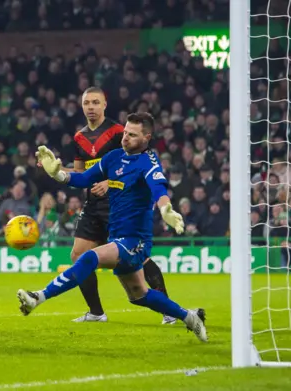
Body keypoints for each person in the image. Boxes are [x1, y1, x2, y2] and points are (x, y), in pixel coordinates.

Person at [19, 112, 207, 342]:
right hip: (117, 236)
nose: (125, 137)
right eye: (125, 132)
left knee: (87, 258)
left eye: (133, 135)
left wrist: (166, 209)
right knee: (138, 295)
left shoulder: (148, 161)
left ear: (147, 137)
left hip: (136, 240)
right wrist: (58, 174)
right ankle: (189, 317)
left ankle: (38, 297)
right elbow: (83, 179)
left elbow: (159, 188)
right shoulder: (114, 157)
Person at [64, 87, 174, 324]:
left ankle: (169, 311)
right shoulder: (78, 138)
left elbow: (127, 162)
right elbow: (81, 173)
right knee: (77, 254)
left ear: (105, 104)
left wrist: (108, 182)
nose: (90, 107)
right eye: (86, 103)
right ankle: (96, 312)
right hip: (93, 205)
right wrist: (57, 170)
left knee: (139, 260)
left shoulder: (118, 132)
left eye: (95, 102)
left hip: (119, 203)